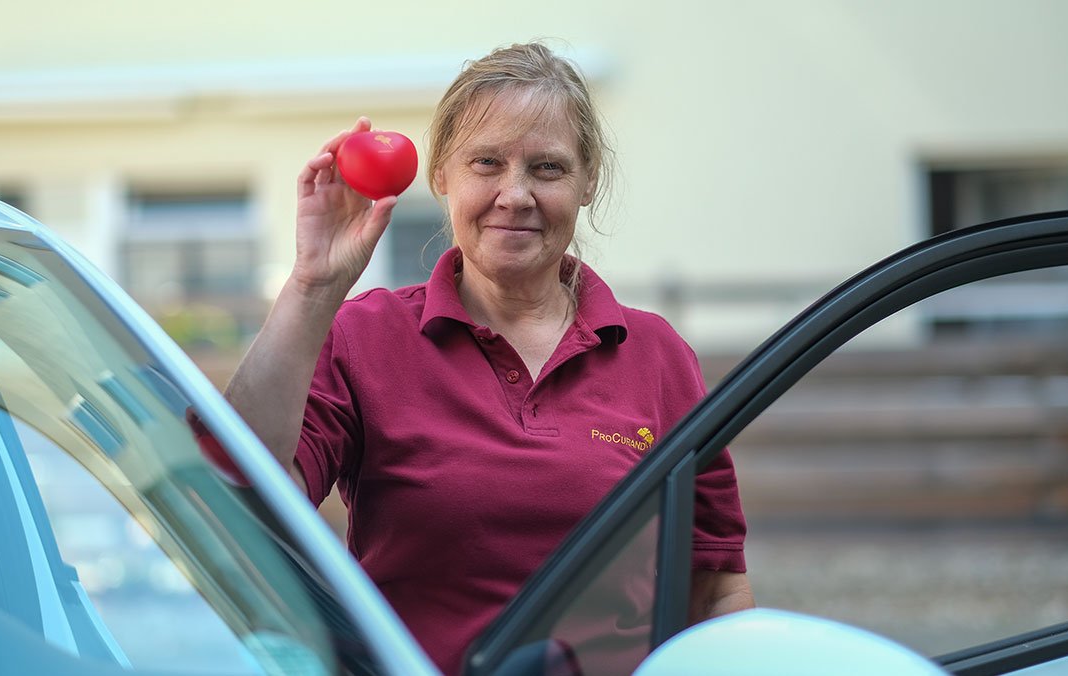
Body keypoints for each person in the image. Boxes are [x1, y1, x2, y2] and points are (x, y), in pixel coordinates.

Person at [225, 41, 754, 674]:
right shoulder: (367, 334)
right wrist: (312, 286)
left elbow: (715, 586)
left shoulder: (658, 355)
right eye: (487, 163)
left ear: (588, 183)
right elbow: (242, 487)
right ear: (442, 176)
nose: (515, 194)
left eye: (548, 168)